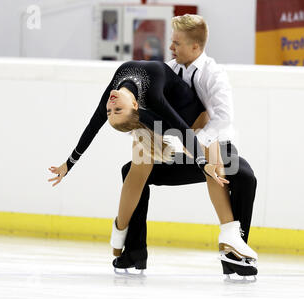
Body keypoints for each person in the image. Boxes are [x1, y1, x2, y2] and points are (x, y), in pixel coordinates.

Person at [48, 59, 258, 275]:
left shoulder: (128, 97)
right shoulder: (144, 101)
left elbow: (93, 128)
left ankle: (230, 239)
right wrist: (68, 165)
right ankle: (124, 241)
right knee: (135, 170)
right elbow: (93, 128)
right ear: (135, 106)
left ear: (134, 104)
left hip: (192, 121)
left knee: (232, 168)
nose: (110, 107)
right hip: (163, 121)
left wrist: (204, 163)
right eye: (113, 111)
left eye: (112, 110)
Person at [111, 14, 259, 277]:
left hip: (214, 148)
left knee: (245, 176)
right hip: (179, 152)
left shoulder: (214, 74)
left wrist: (194, 141)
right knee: (130, 171)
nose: (170, 48)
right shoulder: (167, 72)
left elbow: (223, 118)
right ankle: (134, 252)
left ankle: (235, 254)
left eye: (176, 43)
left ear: (196, 47)